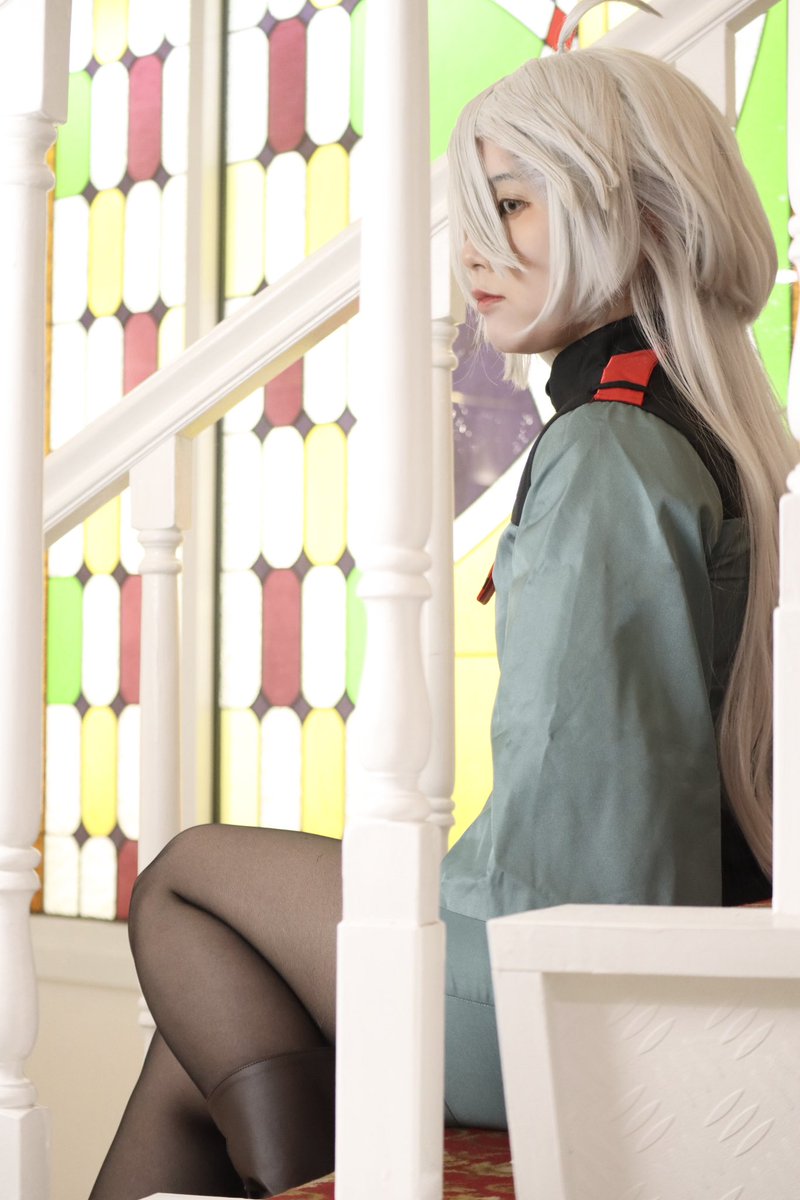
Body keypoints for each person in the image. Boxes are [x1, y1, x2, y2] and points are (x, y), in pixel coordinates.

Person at [89, 9, 796, 1199]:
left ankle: (335, 1179)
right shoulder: (706, 427)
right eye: (472, 211)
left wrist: (419, 911)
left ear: (641, 210)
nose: (474, 248)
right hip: (653, 962)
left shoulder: (609, 450)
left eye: (510, 205)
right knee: (189, 1051)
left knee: (186, 881)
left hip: (568, 998)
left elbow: (577, 857)